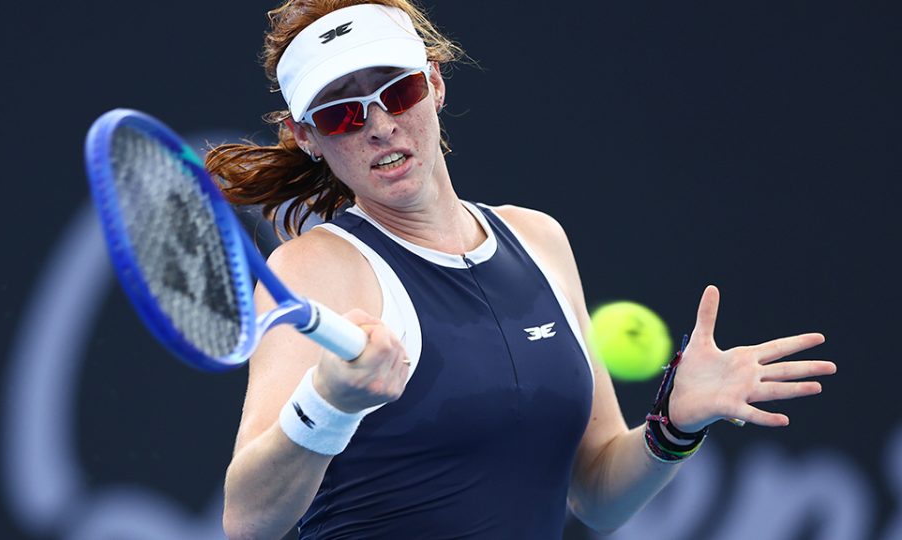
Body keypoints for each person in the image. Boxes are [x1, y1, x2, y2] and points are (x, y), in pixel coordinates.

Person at [207, 1, 837, 538]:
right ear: (306, 137)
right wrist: (330, 401)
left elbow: (595, 494)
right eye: (341, 113)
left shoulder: (539, 238)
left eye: (397, 91)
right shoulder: (314, 267)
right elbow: (248, 519)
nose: (380, 125)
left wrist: (673, 427)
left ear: (435, 82)